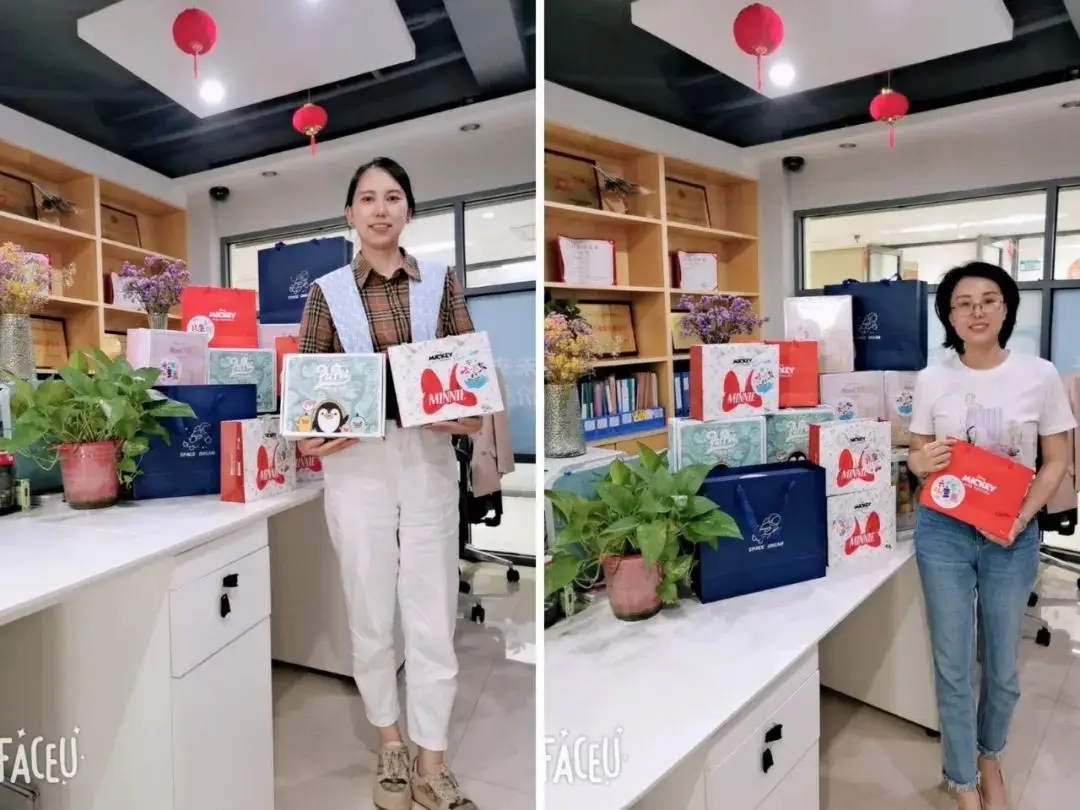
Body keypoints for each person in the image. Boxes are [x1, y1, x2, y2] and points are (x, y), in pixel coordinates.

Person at [296, 157, 481, 810]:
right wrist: (308, 433)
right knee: (370, 607)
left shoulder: (440, 284)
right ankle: (391, 742)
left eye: (393, 197)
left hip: (427, 459)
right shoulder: (326, 292)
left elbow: (468, 374)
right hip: (356, 466)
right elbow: (310, 386)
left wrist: (468, 411)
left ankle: (433, 759)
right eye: (368, 198)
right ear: (350, 213)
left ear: (409, 210)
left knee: (432, 611)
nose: (381, 209)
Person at [906, 261, 1075, 810]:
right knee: (953, 665)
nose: (976, 311)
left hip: (1011, 534)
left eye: (988, 300)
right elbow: (917, 455)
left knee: (1001, 668)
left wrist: (1019, 519)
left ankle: (989, 758)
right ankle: (961, 781)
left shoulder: (1040, 375)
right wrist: (919, 462)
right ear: (948, 315)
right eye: (963, 303)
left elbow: (1056, 461)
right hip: (944, 533)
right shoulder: (932, 379)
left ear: (1006, 309)